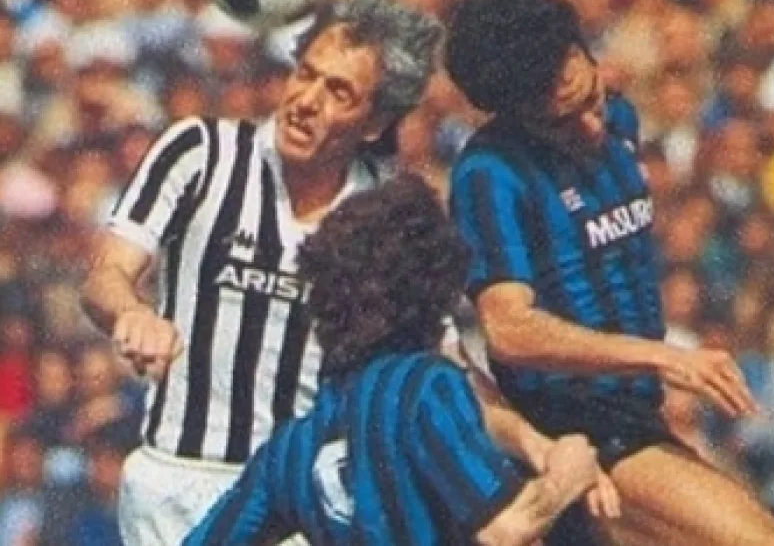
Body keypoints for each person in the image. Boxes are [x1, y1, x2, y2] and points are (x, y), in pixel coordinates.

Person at [79, 0, 449, 545]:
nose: (306, 101)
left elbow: (435, 355)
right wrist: (132, 314)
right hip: (174, 481)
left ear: (375, 123)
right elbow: (105, 277)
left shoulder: (385, 208)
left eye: (338, 92)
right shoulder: (201, 152)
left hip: (295, 499)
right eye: (306, 74)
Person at [445, 0, 774, 545]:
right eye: (561, 121)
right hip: (572, 426)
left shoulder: (623, 122)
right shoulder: (490, 174)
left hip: (638, 413)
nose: (591, 126)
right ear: (514, 114)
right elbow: (509, 329)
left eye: (592, 98)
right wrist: (663, 357)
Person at [184, 174, 609, 545]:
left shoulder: (290, 448)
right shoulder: (426, 386)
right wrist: (567, 474)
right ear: (436, 287)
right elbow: (505, 529)